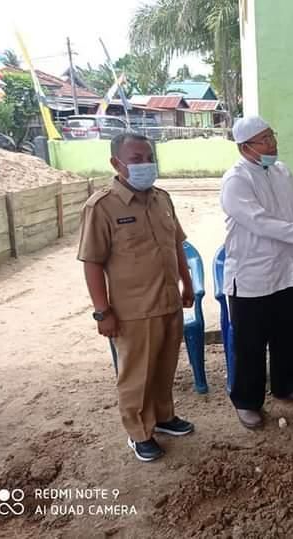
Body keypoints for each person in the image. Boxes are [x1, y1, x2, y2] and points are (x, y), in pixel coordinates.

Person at [78, 133, 195, 463]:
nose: (145, 164)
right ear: (117, 163)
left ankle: (163, 416)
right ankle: (139, 432)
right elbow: (92, 263)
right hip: (133, 311)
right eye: (136, 158)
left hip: (169, 302)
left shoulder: (162, 198)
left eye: (149, 157)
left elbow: (176, 245)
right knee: (136, 374)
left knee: (164, 366)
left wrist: (187, 283)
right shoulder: (102, 207)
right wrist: (103, 313)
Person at [221, 116, 293, 429]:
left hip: (284, 272)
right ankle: (247, 402)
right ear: (246, 147)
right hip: (251, 277)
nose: (273, 143)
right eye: (265, 139)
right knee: (250, 344)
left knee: (286, 333)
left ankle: (285, 386)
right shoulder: (236, 180)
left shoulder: (281, 170)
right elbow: (262, 223)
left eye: (272, 135)